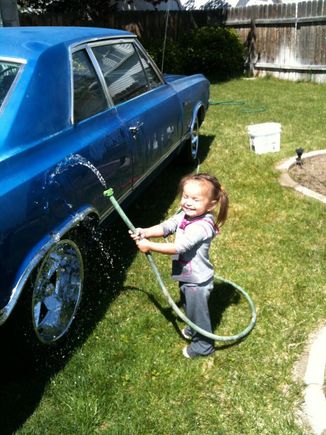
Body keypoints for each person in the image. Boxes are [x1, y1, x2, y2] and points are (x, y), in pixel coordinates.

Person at [130, 173, 229, 359]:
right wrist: (146, 232)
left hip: (197, 280)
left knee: (197, 312)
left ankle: (203, 346)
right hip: (187, 275)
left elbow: (179, 247)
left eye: (196, 199)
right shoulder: (186, 215)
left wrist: (149, 246)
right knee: (188, 306)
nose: (188, 202)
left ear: (211, 204)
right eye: (186, 196)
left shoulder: (202, 226)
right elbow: (167, 226)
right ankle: (193, 328)